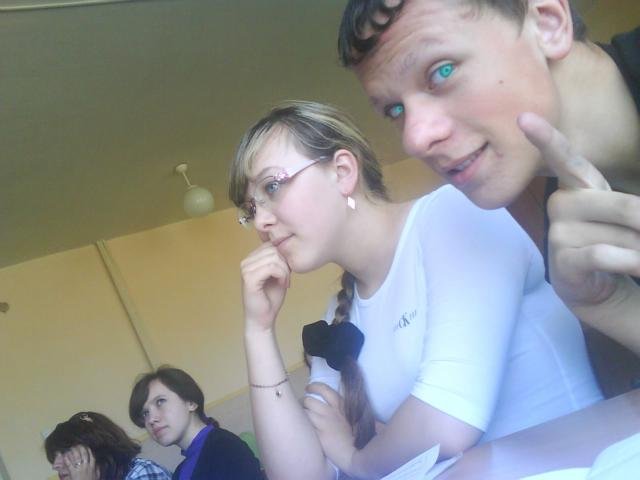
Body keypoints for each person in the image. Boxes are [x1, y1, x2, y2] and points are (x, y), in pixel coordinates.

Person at [230, 100, 602, 479]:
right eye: (251, 209)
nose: (260, 222)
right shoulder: (339, 312)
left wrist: (359, 461)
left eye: (272, 186)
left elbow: (448, 420)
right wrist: (258, 331)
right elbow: (302, 475)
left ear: (342, 172)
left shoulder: (453, 215)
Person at [337, 0, 640, 358]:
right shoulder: (571, 231)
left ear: (547, 23)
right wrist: (615, 306)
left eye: (442, 71)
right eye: (396, 110)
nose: (414, 140)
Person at [128, 366, 263, 480]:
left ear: (191, 402)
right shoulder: (179, 472)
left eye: (160, 402)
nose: (151, 419)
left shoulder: (224, 446)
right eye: (145, 413)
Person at [45, 411, 171, 480]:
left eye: (64, 452)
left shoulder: (143, 472)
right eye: (54, 457)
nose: (55, 465)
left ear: (96, 449)